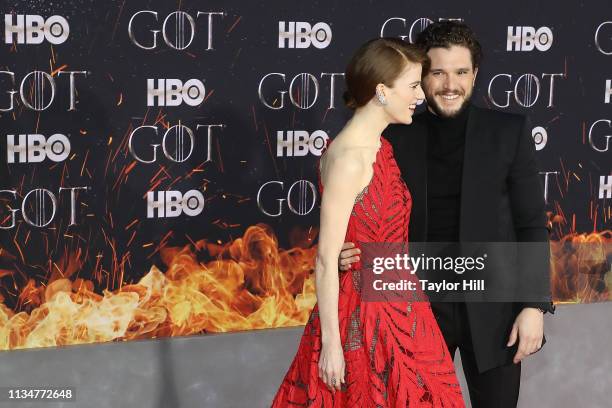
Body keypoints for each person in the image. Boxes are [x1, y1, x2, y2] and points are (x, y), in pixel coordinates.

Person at [338, 22, 555, 408]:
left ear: (475, 75)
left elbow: (531, 222)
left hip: (495, 309)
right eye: (437, 72)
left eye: (460, 72)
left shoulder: (508, 131)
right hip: (416, 306)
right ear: (421, 77)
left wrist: (534, 305)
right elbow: (362, 206)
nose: (449, 84)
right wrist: (345, 252)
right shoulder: (395, 134)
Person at [272, 38, 465, 407]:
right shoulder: (348, 159)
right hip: (365, 314)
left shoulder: (383, 147)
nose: (420, 96)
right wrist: (331, 343)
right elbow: (328, 258)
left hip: (405, 307)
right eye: (411, 86)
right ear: (381, 91)